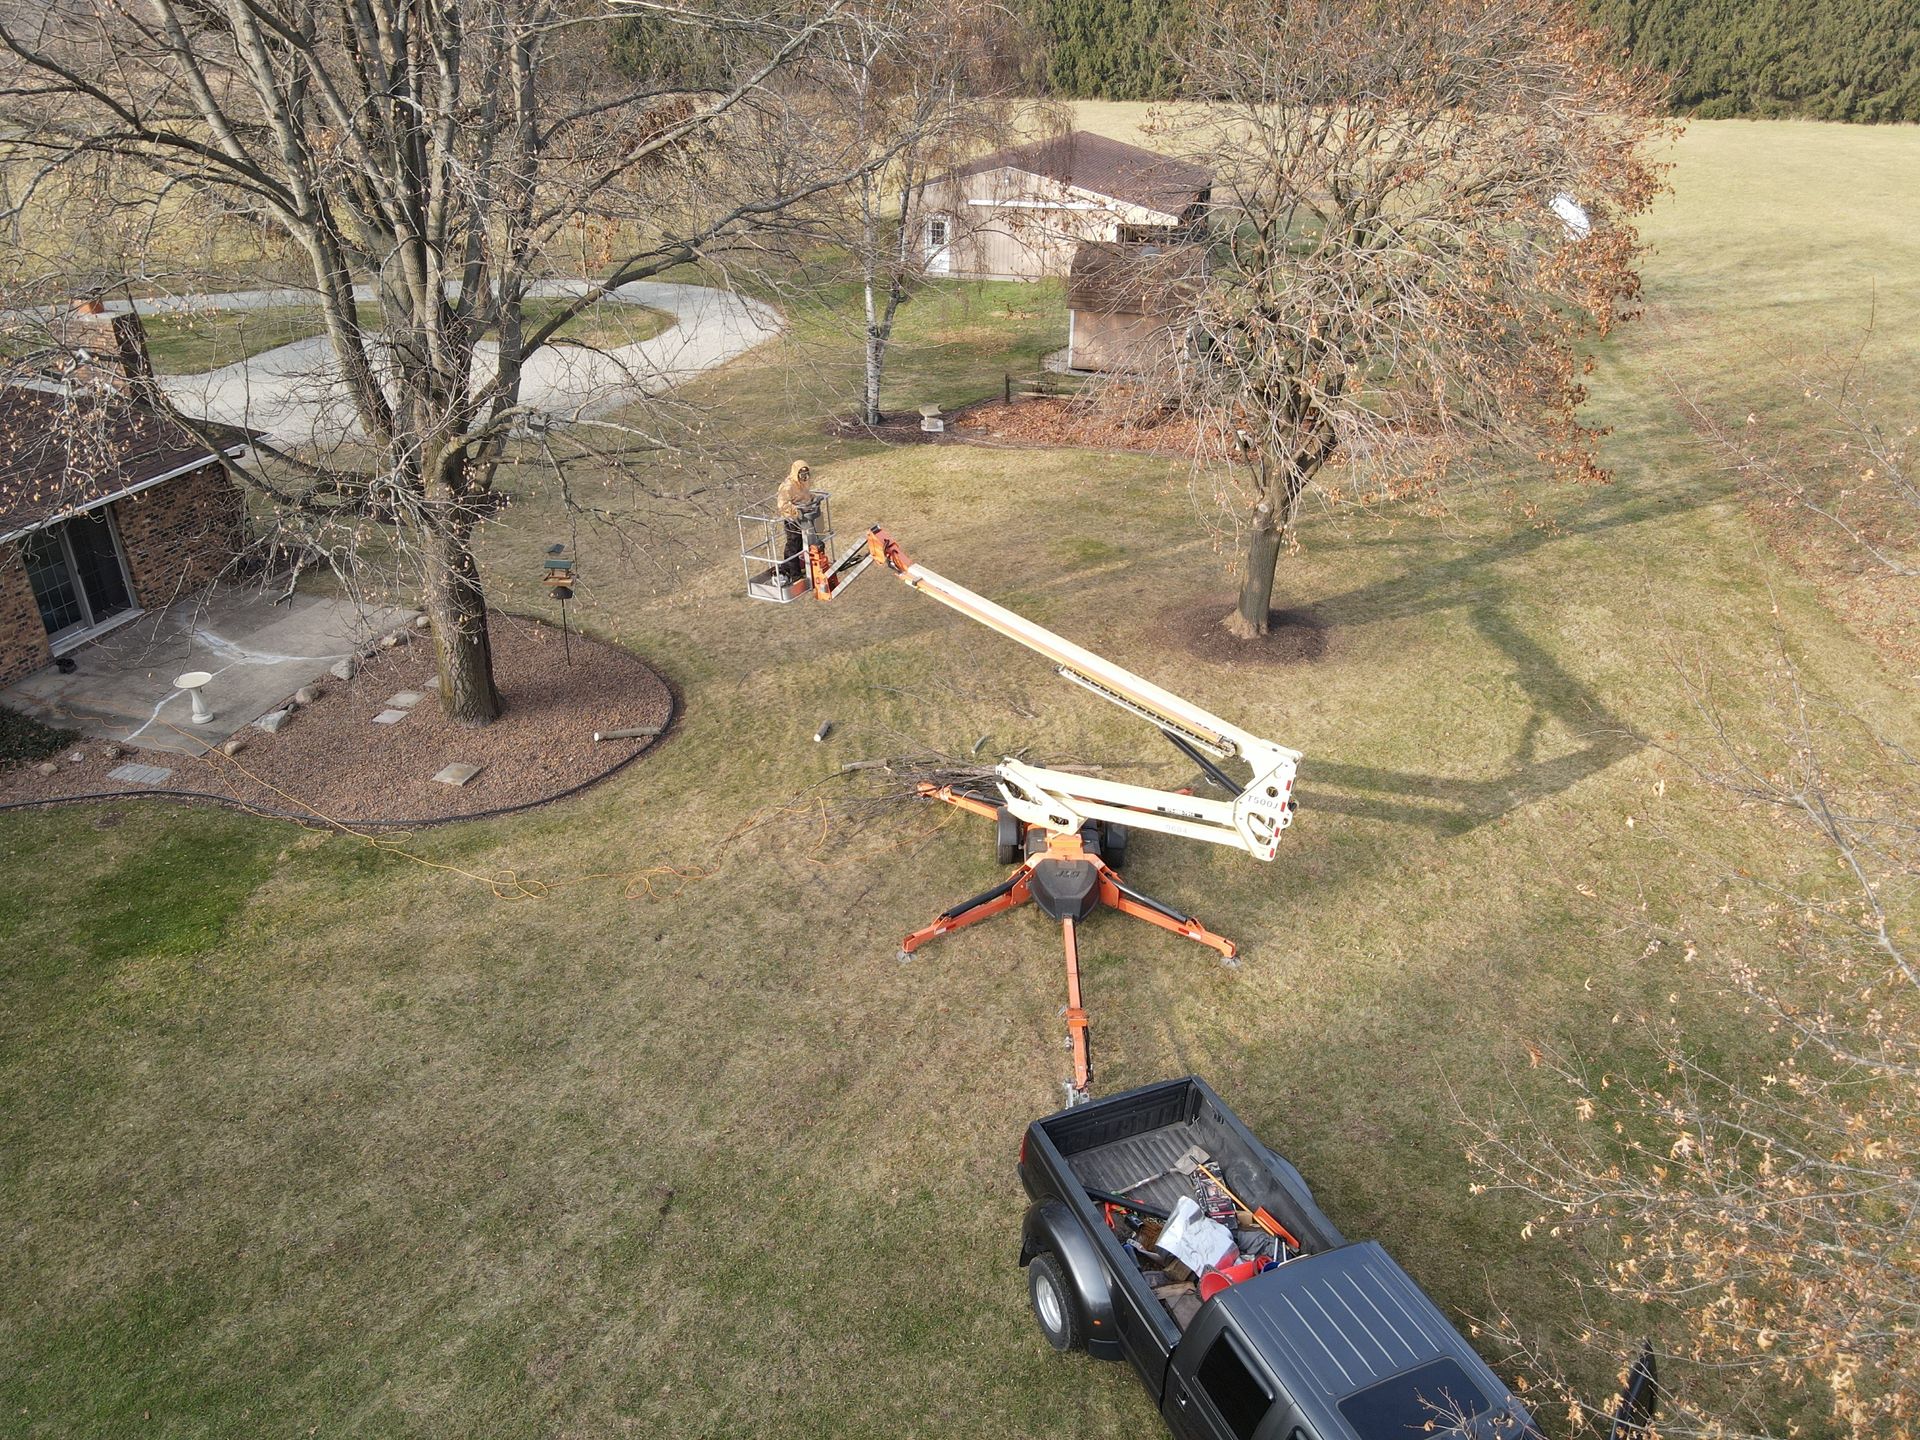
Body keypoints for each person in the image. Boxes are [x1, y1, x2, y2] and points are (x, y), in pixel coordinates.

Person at [775, 459, 820, 583]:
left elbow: (805, 495)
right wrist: (797, 509)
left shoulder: (803, 483)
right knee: (793, 544)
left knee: (802, 543)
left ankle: (786, 567)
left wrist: (813, 498)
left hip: (804, 518)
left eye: (806, 474)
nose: (805, 477)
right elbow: (782, 505)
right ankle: (795, 575)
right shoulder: (788, 487)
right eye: (802, 474)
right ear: (796, 473)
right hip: (792, 519)